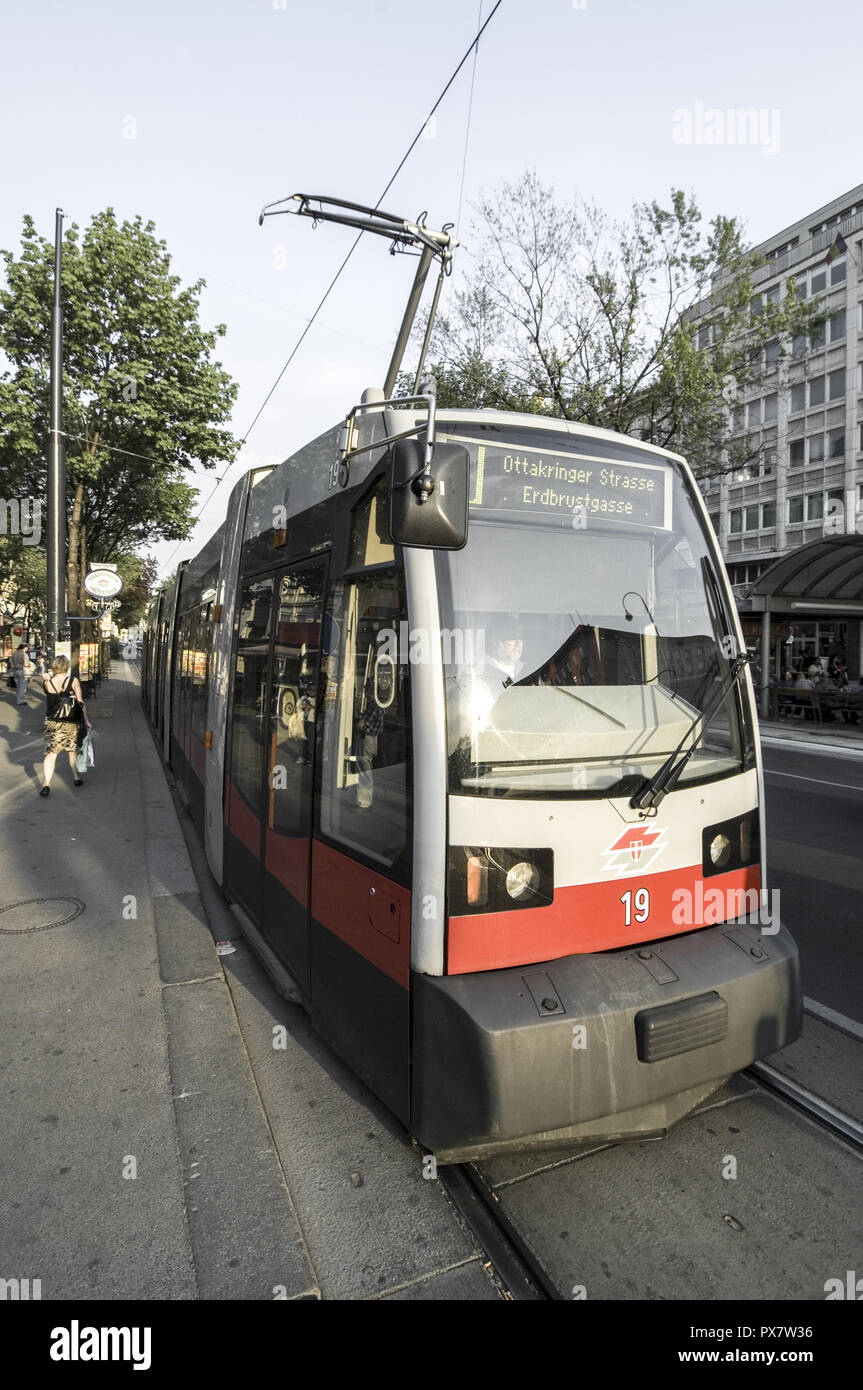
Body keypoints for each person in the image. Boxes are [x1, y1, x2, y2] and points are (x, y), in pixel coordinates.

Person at [40, 656, 91, 795]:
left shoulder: (46, 683)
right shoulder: (73, 681)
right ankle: (76, 777)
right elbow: (80, 703)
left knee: (51, 754)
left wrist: (47, 677)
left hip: (52, 722)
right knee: (71, 751)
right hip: (70, 723)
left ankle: (46, 785)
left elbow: (49, 695)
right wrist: (86, 721)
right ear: (67, 667)